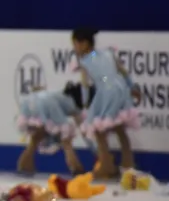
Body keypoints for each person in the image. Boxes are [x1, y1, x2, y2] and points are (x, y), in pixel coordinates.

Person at [71, 28, 140, 179]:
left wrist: (85, 105)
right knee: (119, 128)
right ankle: (129, 165)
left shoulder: (84, 61)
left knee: (99, 130)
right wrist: (132, 86)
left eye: (75, 43)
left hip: (107, 91)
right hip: (120, 87)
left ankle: (106, 166)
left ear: (84, 44)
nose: (74, 47)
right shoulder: (107, 53)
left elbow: (84, 85)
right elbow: (123, 71)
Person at [16, 82, 89, 175]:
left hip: (31, 106)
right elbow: (81, 122)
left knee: (35, 140)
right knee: (66, 142)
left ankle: (24, 167)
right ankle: (76, 169)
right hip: (49, 105)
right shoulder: (73, 101)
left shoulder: (37, 96)